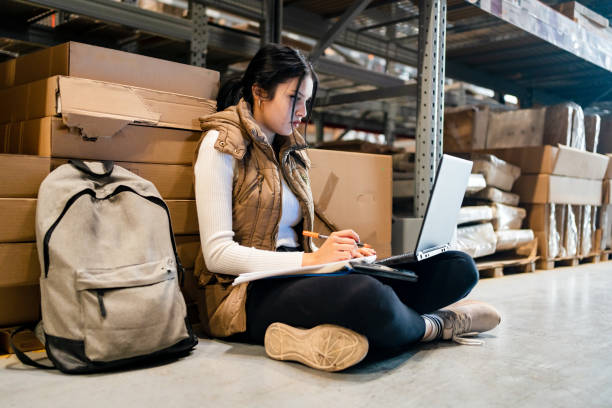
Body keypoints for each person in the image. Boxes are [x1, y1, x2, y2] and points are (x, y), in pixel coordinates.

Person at [192, 44, 501, 372]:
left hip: (296, 276)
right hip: (243, 296)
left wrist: (335, 251)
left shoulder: (289, 151)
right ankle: (436, 325)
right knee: (368, 296)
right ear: (259, 92)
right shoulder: (220, 144)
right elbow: (218, 255)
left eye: (307, 101)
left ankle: (345, 331)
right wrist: (313, 259)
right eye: (294, 98)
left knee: (456, 266)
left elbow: (290, 236)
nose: (303, 111)